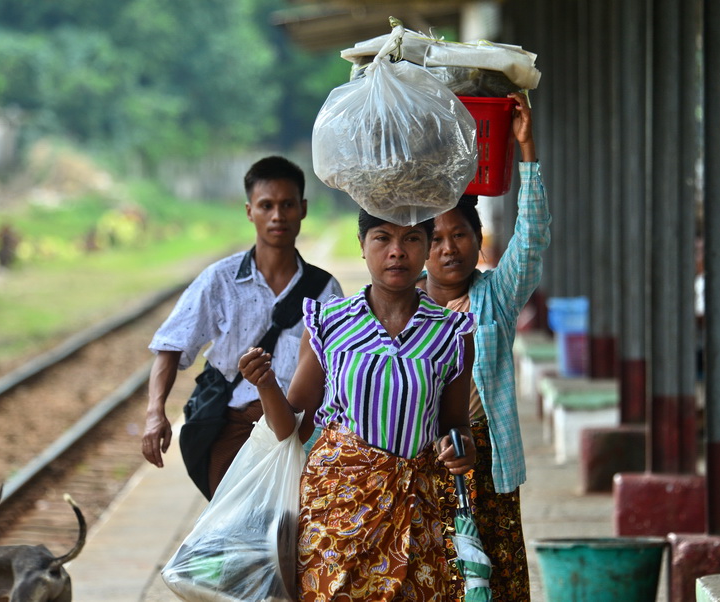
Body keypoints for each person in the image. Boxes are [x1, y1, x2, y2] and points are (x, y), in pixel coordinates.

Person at [238, 210, 477, 600]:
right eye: (382, 238)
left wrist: (460, 449)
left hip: (415, 517)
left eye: (412, 239)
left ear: (427, 248)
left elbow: (456, 424)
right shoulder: (328, 323)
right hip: (334, 518)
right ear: (362, 247)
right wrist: (265, 385)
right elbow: (293, 429)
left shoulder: (451, 332)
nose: (397, 252)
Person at [141, 155, 343, 498]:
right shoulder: (220, 280)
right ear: (250, 211)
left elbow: (340, 371)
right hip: (232, 427)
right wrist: (154, 413)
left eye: (287, 204)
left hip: (300, 432)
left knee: (295, 536)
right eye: (266, 205)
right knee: (236, 533)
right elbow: (171, 345)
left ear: (303, 208)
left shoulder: (325, 289)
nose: (277, 215)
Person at [420, 90, 550, 600]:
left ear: (479, 240)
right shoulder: (404, 309)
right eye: (434, 238)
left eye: (460, 234)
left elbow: (533, 238)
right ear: (417, 248)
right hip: (427, 459)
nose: (449, 247)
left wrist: (527, 150)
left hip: (490, 461)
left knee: (497, 577)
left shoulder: (494, 296)